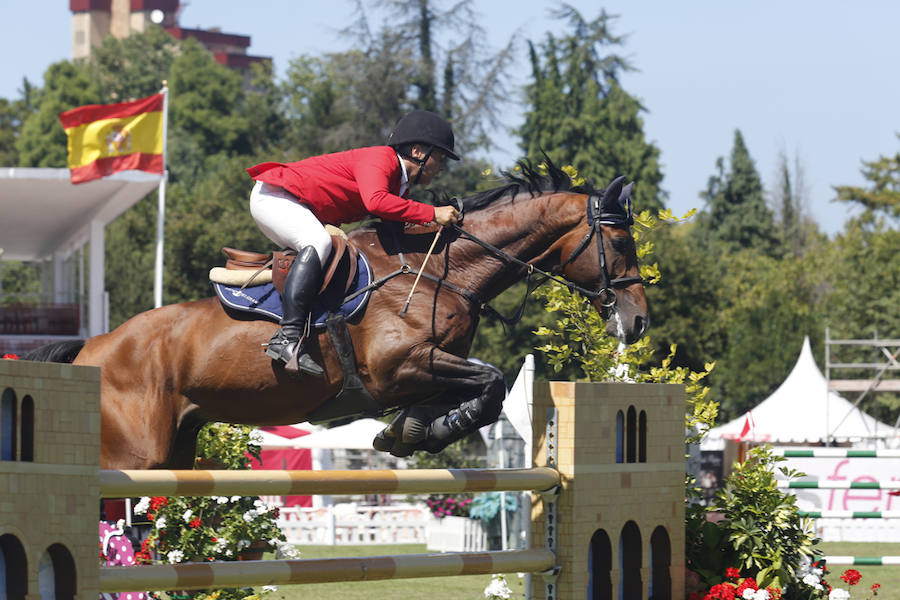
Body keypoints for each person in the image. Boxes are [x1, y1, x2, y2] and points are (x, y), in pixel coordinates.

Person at [245, 110, 461, 375]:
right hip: (275, 195)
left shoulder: (399, 186)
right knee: (319, 242)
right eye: (439, 158)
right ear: (417, 151)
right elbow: (376, 201)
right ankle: (286, 338)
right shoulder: (381, 159)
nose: (441, 168)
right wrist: (431, 213)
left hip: (293, 202)